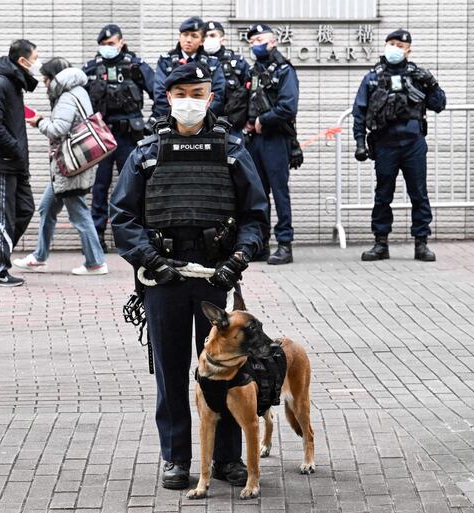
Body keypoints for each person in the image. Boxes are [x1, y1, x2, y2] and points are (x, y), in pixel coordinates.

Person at [110, 62, 267, 490]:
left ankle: (227, 459)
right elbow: (122, 216)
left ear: (210, 97)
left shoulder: (232, 148)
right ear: (168, 98)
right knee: (172, 371)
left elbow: (255, 213)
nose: (190, 102)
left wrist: (238, 259)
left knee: (228, 369)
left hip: (216, 275)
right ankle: (177, 458)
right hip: (164, 278)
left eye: (198, 93)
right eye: (182, 94)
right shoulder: (146, 151)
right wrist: (149, 259)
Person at [353, 29, 446, 262]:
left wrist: (432, 84)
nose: (395, 48)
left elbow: (439, 104)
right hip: (385, 143)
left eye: (400, 45)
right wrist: (359, 143)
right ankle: (380, 243)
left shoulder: (418, 76)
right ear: (385, 46)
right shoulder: (373, 77)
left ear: (408, 50)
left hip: (413, 143)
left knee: (419, 194)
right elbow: (359, 112)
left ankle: (421, 243)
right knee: (383, 194)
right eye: (391, 44)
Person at [14, 59, 108, 276]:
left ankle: (95, 262)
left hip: (69, 167)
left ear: (55, 78)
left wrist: (38, 121)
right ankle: (39, 257)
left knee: (79, 214)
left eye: (46, 79)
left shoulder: (66, 97)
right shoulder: (78, 91)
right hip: (70, 166)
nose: (45, 84)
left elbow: (58, 130)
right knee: (47, 208)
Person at [82, 24, 155, 252]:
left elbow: (160, 93)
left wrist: (151, 123)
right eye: (103, 45)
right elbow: (79, 100)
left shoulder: (135, 66)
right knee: (100, 187)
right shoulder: (91, 68)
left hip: (129, 136)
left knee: (134, 185)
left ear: (121, 42)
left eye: (111, 44)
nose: (107, 48)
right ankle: (98, 239)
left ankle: (138, 236)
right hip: (101, 137)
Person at [0, 39, 40, 287]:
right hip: (2, 163)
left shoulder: (14, 84)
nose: (36, 63)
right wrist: (14, 149)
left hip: (15, 163)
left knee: (25, 209)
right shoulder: (1, 83)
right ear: (22, 61)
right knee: (2, 217)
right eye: (35, 59)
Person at [244, 24, 300, 264]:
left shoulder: (285, 70)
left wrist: (262, 120)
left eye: (260, 39)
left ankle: (285, 244)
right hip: (254, 140)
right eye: (252, 41)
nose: (256, 44)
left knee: (279, 193)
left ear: (273, 41)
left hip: (276, 138)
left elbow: (288, 106)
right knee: (259, 194)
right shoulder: (253, 71)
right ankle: (262, 244)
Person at [151, 16, 225, 119]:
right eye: (185, 35)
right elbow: (160, 94)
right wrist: (175, 120)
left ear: (202, 40)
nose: (188, 40)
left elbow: (217, 96)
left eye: (194, 36)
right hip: (170, 120)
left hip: (203, 120)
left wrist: (201, 119)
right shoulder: (166, 62)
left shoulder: (212, 63)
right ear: (179, 37)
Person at [202, 21, 250, 138]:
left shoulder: (237, 62)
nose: (208, 39)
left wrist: (250, 120)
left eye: (212, 36)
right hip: (204, 125)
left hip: (233, 126)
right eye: (205, 36)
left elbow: (251, 91)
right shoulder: (196, 62)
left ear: (222, 40)